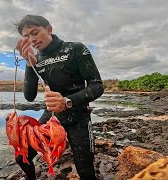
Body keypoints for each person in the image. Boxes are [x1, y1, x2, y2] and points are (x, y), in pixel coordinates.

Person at [14, 15, 104, 180]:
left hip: (79, 118)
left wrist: (67, 101)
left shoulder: (76, 49)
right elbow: (29, 96)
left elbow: (97, 86)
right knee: (22, 158)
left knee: (86, 171)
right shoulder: (37, 59)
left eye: (35, 32)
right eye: (26, 37)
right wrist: (29, 64)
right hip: (51, 118)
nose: (32, 40)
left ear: (48, 29)